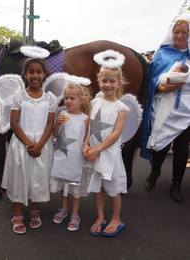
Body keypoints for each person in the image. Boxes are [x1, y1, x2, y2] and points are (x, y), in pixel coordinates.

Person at [1, 58, 57, 234]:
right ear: (25, 75)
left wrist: (39, 144)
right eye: (31, 71)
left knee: (38, 177)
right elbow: (14, 123)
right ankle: (17, 213)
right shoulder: (19, 97)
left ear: (44, 74)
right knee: (20, 177)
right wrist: (28, 143)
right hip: (21, 144)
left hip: (42, 144)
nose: (35, 75)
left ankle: (35, 209)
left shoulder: (50, 98)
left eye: (38, 72)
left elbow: (50, 124)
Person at [142, 17, 190, 203]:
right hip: (164, 107)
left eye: (184, 32)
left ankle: (176, 184)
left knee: (181, 150)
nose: (179, 35)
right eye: (176, 32)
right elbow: (152, 80)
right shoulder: (162, 54)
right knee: (160, 146)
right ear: (172, 34)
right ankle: (154, 174)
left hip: (186, 111)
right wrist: (161, 88)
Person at [83, 50, 129, 237]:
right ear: (99, 81)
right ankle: (100, 216)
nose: (108, 84)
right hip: (94, 152)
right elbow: (89, 126)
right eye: (104, 81)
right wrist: (85, 145)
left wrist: (98, 149)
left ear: (119, 82)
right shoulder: (95, 102)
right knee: (99, 188)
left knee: (113, 188)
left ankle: (116, 218)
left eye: (112, 81)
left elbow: (116, 133)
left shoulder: (121, 108)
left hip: (108, 154)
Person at [50, 81, 91, 232]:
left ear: (81, 100)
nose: (68, 101)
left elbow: (87, 138)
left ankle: (75, 214)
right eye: (66, 98)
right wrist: (58, 125)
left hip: (77, 158)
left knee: (75, 187)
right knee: (63, 184)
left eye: (72, 98)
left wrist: (87, 150)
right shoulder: (62, 114)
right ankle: (63, 208)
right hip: (63, 156)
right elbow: (54, 135)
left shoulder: (86, 119)